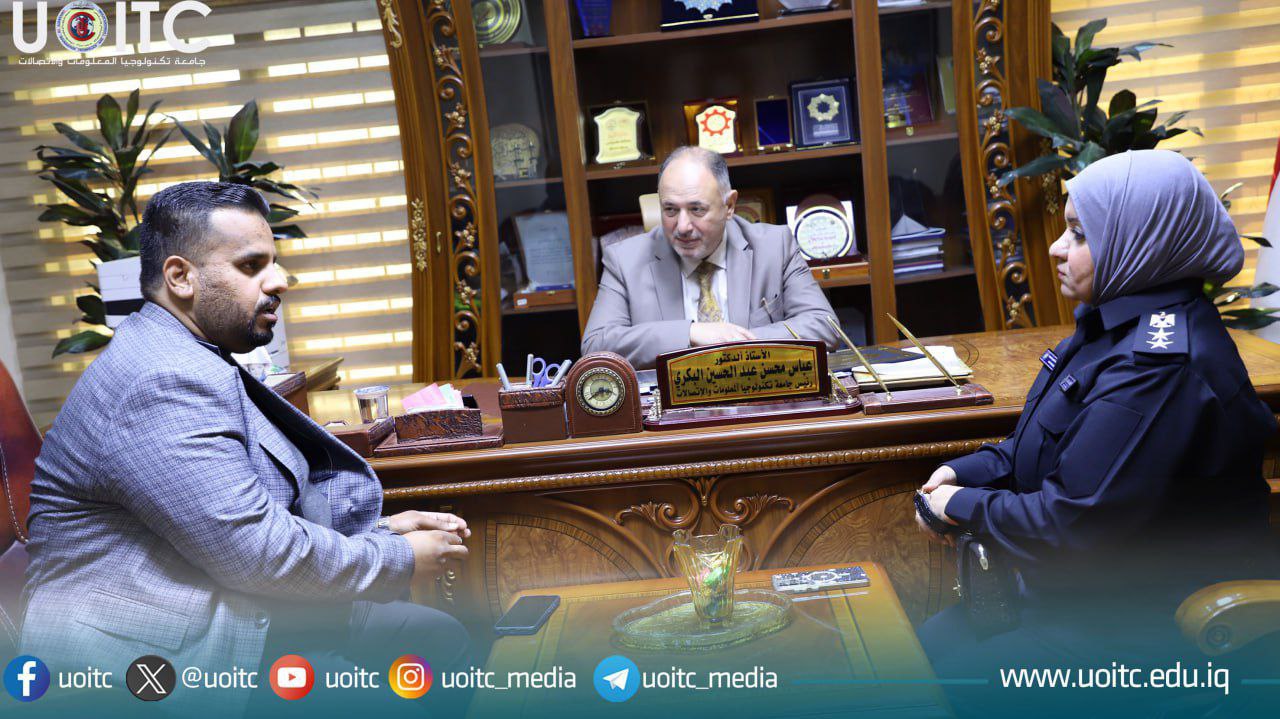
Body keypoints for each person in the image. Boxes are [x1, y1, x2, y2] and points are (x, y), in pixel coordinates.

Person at [21, 182, 470, 715]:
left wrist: (384, 531)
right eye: (251, 265)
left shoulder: (188, 351)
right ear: (180, 277)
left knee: (441, 641)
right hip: (159, 655)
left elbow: (253, 514)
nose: (279, 282)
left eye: (272, 263)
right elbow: (257, 552)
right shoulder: (159, 379)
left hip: (224, 600)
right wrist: (397, 558)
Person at [914, 150, 1278, 716]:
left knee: (921, 684)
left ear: (1143, 242)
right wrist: (959, 473)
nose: (1056, 249)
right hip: (1084, 599)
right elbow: (1042, 448)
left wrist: (959, 505)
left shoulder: (1159, 367)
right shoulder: (1113, 327)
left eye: (1079, 235)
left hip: (1151, 632)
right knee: (913, 652)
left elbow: (1070, 524)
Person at [581, 146, 840, 369]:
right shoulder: (625, 260)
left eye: (697, 209)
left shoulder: (774, 246)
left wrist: (734, 343)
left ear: (729, 206)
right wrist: (691, 332)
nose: (682, 226)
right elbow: (595, 347)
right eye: (670, 210)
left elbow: (824, 326)